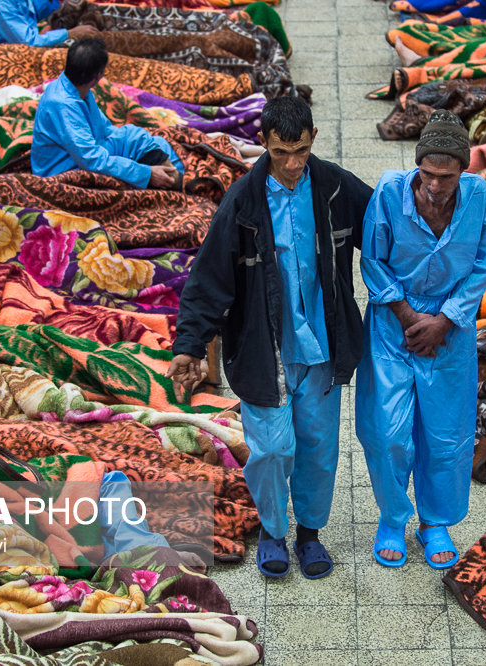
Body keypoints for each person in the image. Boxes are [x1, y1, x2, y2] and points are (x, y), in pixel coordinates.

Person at [166, 96, 373, 580]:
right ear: (264, 143)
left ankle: (310, 535)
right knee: (273, 449)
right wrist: (190, 345)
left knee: (319, 446)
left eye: (300, 150)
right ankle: (274, 532)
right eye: (281, 152)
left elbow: (383, 229)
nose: (292, 163)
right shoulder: (242, 200)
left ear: (314, 139)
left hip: (322, 348)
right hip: (264, 349)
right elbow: (209, 277)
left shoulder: (335, 186)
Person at [356, 111, 486, 570]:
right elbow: (373, 260)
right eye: (428, 174)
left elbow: (485, 261)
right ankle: (393, 517)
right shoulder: (388, 192)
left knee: (446, 432)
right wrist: (407, 315)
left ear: (463, 171)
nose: (436, 186)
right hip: (392, 325)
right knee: (389, 431)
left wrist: (445, 320)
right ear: (416, 167)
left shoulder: (478, 197)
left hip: (450, 331)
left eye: (447, 176)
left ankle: (435, 521)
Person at [30, 38, 183, 190]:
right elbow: (90, 159)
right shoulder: (62, 104)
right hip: (65, 167)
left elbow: (106, 131)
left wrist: (134, 140)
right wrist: (146, 173)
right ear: (97, 76)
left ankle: (179, 179)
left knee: (152, 141)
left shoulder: (78, 89)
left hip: (90, 151)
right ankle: (176, 185)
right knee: (138, 142)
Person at [0, 0, 99, 48]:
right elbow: (30, 42)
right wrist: (70, 33)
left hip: (23, 45)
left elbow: (33, 12)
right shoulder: (0, 2)